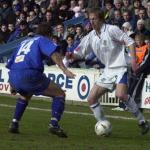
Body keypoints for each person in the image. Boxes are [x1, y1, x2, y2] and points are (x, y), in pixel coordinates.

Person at [72, 8, 149, 135]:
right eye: (90, 19)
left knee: (121, 95)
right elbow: (78, 53)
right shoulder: (90, 36)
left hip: (121, 67)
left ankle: (142, 121)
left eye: (94, 19)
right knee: (91, 99)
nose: (92, 22)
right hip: (108, 70)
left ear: (101, 19)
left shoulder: (111, 29)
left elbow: (130, 42)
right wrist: (70, 56)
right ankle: (103, 124)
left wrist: (134, 62)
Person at [6, 22, 75, 138]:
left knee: (25, 94)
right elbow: (54, 53)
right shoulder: (42, 39)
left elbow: (10, 63)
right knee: (60, 94)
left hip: (13, 74)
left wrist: (12, 84)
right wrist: (64, 69)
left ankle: (14, 123)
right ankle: (54, 124)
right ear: (48, 34)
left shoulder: (23, 42)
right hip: (29, 73)